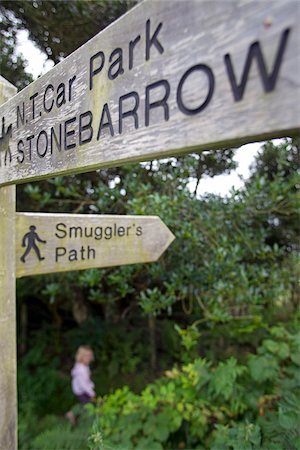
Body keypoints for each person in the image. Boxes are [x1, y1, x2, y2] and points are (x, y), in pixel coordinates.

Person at [65, 346, 96, 425]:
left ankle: (72, 413)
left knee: (85, 404)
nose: (90, 358)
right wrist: (91, 393)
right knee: (89, 405)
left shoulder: (83, 366)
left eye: (90, 356)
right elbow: (83, 384)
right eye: (87, 356)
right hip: (81, 390)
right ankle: (89, 422)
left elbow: (86, 380)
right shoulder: (81, 370)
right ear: (81, 357)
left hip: (82, 389)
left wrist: (90, 385)